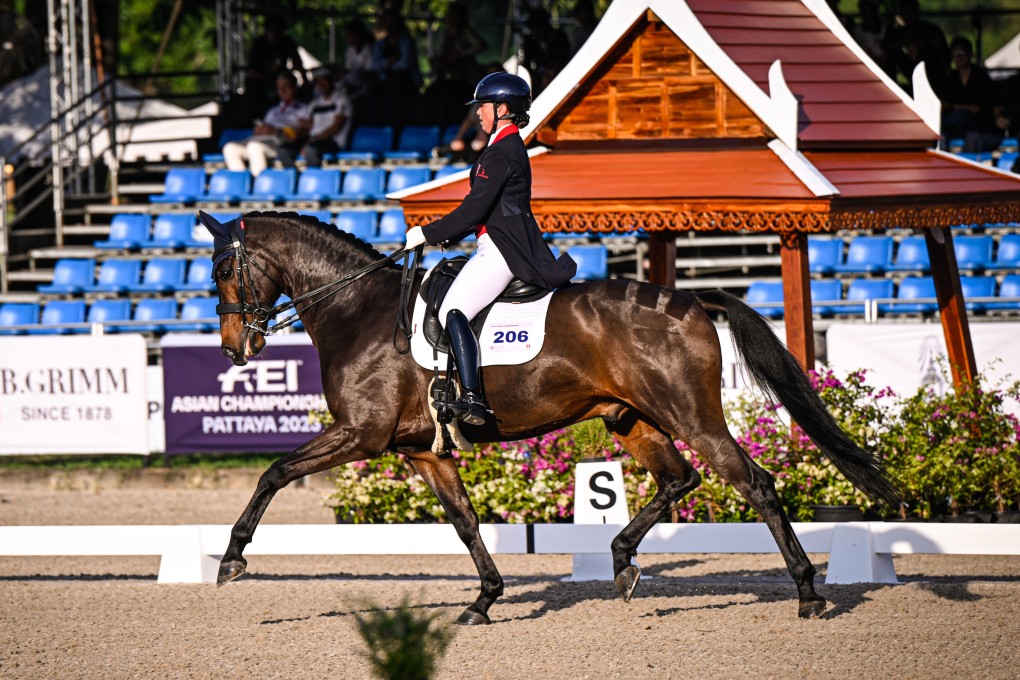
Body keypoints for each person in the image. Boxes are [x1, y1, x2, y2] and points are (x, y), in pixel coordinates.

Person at [404, 72, 577, 425]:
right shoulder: (504, 147)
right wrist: (448, 236)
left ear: (501, 108)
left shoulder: (501, 152)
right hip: (496, 243)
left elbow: (473, 210)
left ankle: (473, 398)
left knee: (453, 309)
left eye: (482, 107)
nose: (477, 115)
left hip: (502, 250)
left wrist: (427, 232)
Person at [224, 71, 310, 176]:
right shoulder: (273, 111)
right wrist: (259, 130)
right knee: (230, 148)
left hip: (279, 141)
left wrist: (276, 131)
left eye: (286, 87)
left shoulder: (303, 109)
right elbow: (262, 127)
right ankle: (241, 183)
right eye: (279, 88)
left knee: (254, 147)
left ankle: (258, 184)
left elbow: (301, 132)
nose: (282, 91)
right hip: (259, 139)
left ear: (294, 87)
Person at [939, 36, 1001, 152]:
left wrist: (954, 107)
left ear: (970, 54)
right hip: (954, 127)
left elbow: (979, 109)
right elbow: (943, 105)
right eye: (955, 53)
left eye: (962, 52)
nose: (959, 56)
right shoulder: (949, 79)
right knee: (940, 133)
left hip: (979, 125)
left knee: (962, 118)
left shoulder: (982, 78)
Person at [301, 66, 353, 167]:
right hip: (314, 139)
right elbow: (309, 125)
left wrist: (315, 139)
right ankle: (294, 179)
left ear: (331, 80)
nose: (321, 84)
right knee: (284, 149)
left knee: (311, 150)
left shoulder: (342, 99)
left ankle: (314, 179)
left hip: (333, 141)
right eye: (318, 81)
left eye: (324, 80)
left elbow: (336, 127)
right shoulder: (314, 103)